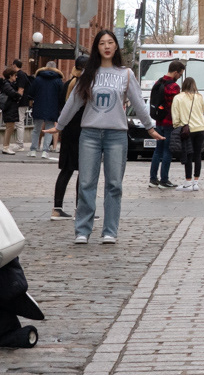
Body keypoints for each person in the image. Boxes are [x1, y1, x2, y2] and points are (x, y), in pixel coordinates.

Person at [50, 30, 157, 245]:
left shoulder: (126, 74)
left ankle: (110, 231)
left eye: (110, 42)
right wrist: (59, 125)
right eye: (101, 43)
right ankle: (82, 230)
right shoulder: (89, 74)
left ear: (116, 47)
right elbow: (73, 102)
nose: (106, 46)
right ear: (96, 48)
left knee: (114, 184)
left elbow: (138, 103)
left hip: (116, 135)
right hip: (89, 133)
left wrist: (150, 127)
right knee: (87, 183)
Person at [50, 53, 89, 218]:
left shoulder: (67, 84)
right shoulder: (84, 85)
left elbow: (61, 106)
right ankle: (80, 208)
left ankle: (57, 208)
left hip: (68, 131)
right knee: (84, 171)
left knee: (66, 170)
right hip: (82, 131)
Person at [147, 59, 185, 190]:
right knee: (167, 150)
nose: (179, 77)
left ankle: (153, 179)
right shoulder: (174, 87)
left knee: (158, 150)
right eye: (179, 74)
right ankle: (164, 179)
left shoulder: (158, 82)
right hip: (169, 121)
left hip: (158, 121)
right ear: (175, 72)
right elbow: (176, 106)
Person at [172, 74, 204, 190]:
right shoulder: (199, 97)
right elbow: (203, 110)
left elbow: (175, 114)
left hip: (187, 129)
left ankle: (187, 182)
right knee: (198, 155)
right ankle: (196, 182)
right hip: (200, 128)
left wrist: (177, 126)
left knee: (188, 154)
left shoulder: (178, 98)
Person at [29, 56, 66, 158]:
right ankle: (45, 151)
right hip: (52, 107)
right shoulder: (58, 80)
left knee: (36, 129)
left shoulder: (38, 79)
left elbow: (31, 92)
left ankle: (33, 149)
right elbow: (62, 96)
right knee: (49, 129)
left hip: (39, 106)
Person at [1, 59, 32, 153]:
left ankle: (19, 144)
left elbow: (20, 89)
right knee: (14, 124)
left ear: (14, 65)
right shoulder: (10, 82)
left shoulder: (20, 75)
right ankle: (14, 144)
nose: (15, 77)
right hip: (16, 103)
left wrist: (18, 98)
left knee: (18, 123)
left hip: (20, 102)